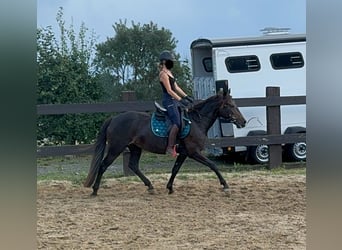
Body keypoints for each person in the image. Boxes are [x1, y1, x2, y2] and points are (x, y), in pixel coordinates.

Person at [158, 50, 194, 157]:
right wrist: (180, 99)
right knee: (177, 122)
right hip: (169, 101)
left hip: (174, 100)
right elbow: (169, 90)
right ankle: (170, 147)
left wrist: (186, 96)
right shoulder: (163, 74)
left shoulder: (169, 73)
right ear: (164, 62)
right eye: (170, 60)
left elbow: (176, 87)